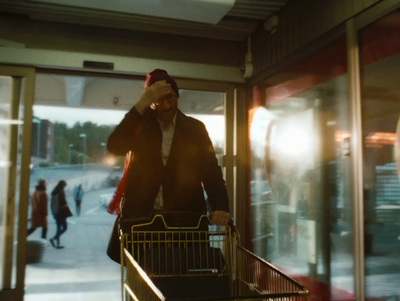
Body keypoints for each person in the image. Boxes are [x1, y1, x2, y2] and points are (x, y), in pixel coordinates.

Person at [106, 69, 231, 261]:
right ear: (151, 102)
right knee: (146, 283)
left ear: (178, 97)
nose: (166, 105)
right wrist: (141, 105)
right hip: (144, 223)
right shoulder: (140, 125)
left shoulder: (195, 129)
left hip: (185, 222)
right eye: (159, 100)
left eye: (170, 98)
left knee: (184, 281)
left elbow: (211, 171)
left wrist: (221, 207)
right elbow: (115, 146)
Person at [49, 180, 69, 249]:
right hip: (61, 213)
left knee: (58, 228)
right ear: (63, 186)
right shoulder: (61, 192)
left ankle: (58, 244)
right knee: (65, 228)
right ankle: (53, 238)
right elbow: (64, 202)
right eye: (65, 186)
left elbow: (51, 204)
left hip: (55, 212)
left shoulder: (54, 192)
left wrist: (53, 212)